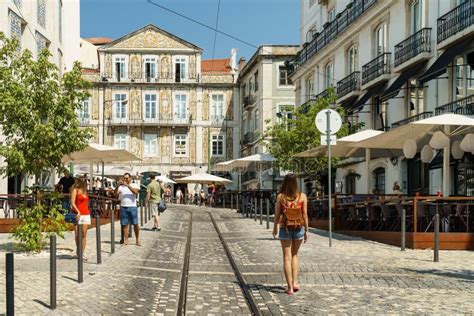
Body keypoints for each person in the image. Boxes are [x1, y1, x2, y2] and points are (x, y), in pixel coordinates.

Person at [272, 174, 308, 295]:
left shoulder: (281, 197)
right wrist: (307, 230)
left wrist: (274, 227)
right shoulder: (302, 196)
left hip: (285, 228)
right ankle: (295, 282)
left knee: (286, 257)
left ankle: (289, 288)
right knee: (295, 255)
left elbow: (277, 214)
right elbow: (305, 215)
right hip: (298, 228)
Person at [114, 173, 141, 246]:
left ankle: (137, 239)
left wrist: (127, 185)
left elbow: (135, 192)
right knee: (125, 224)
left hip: (133, 207)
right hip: (123, 207)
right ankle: (126, 240)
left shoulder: (134, 185)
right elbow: (115, 194)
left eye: (127, 178)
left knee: (135, 224)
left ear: (130, 178)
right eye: (124, 178)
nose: (125, 179)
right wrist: (117, 186)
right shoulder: (121, 187)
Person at [70, 178, 91, 261]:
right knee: (77, 234)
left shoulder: (85, 191)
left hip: (86, 213)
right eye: (84, 181)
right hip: (78, 214)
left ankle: (82, 252)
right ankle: (78, 250)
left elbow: (86, 202)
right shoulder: (75, 190)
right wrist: (78, 211)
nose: (85, 182)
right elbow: (72, 203)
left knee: (84, 233)